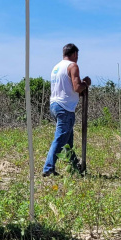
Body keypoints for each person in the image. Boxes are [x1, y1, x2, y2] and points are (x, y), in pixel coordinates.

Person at [43, 43, 91, 177]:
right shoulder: (72, 66)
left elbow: (66, 88)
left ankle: (75, 167)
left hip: (54, 105)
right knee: (60, 139)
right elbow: (77, 87)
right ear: (74, 54)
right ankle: (48, 168)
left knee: (67, 141)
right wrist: (86, 83)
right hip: (65, 108)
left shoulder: (56, 67)